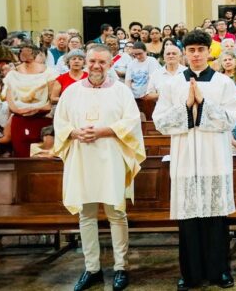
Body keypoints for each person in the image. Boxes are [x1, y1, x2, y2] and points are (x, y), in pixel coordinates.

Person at [53, 44, 146, 291]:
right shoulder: (71, 92)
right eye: (92, 61)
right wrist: (73, 131)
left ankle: (121, 267)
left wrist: (105, 130)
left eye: (102, 62)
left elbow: (132, 122)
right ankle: (91, 268)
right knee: (86, 214)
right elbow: (59, 122)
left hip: (111, 157)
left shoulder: (121, 92)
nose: (96, 66)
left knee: (116, 212)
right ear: (85, 62)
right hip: (82, 158)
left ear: (110, 64)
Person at [153, 30, 236, 290]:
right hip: (185, 158)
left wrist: (202, 104)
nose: (195, 55)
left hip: (214, 156)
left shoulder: (223, 83)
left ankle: (220, 271)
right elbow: (160, 122)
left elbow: (230, 120)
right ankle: (189, 274)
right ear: (184, 53)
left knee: (216, 218)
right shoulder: (171, 84)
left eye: (200, 50)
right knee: (189, 219)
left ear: (208, 52)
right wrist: (186, 107)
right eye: (190, 50)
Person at [4, 42, 56, 157]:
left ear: (36, 53)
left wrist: (38, 109)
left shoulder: (50, 73)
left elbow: (52, 100)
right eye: (22, 51)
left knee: (42, 158)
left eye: (28, 51)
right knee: (21, 156)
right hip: (19, 119)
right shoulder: (12, 74)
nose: (25, 54)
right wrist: (18, 111)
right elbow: (10, 99)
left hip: (43, 120)